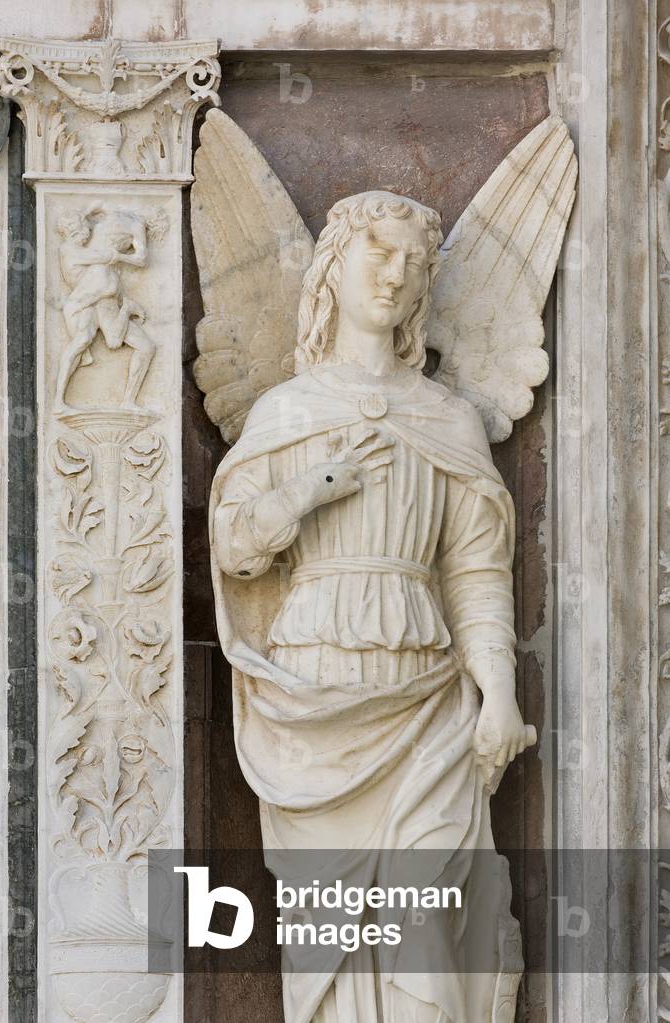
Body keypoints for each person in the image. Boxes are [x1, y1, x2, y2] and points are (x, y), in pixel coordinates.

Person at [210, 192, 535, 1023]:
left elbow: (474, 570)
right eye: (378, 254)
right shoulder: (288, 412)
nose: (395, 274)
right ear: (335, 268)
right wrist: (312, 489)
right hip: (313, 697)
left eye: (413, 262)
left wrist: (497, 693)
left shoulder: (446, 418)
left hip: (426, 697)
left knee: (429, 930)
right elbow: (239, 550)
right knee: (328, 939)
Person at [54, 207, 155, 412]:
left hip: (106, 306)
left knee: (146, 347)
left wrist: (90, 211)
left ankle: (128, 401)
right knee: (81, 342)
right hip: (84, 306)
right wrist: (130, 253)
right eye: (85, 231)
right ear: (75, 231)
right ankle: (58, 402)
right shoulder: (71, 252)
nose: (88, 234)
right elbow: (110, 257)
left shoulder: (94, 261)